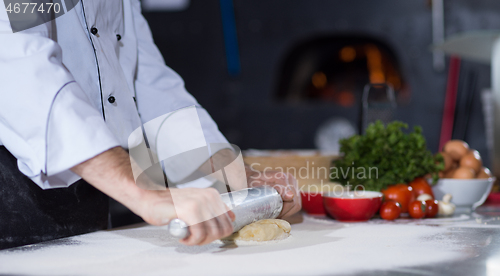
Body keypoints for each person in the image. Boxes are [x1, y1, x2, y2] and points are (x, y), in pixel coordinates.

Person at [0, 0, 300, 250]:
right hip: (11, 203)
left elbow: (144, 79)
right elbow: (18, 70)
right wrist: (143, 193)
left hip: (93, 195)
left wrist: (229, 175)